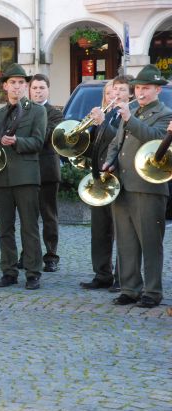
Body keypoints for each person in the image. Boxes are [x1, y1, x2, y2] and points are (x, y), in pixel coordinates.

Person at [102, 65, 172, 308]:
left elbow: (156, 140)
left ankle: (152, 292)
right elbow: (116, 143)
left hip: (148, 187)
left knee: (150, 242)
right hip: (122, 184)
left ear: (158, 90)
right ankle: (130, 289)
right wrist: (109, 162)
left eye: (146, 88)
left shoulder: (165, 114)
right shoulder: (131, 111)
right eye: (139, 87)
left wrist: (129, 119)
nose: (140, 92)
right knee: (126, 242)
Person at [0, 63, 46, 290]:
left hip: (26, 177)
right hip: (1, 177)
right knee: (5, 229)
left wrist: (17, 141)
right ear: (5, 86)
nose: (17, 86)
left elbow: (38, 142)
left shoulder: (37, 111)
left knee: (29, 227)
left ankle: (33, 273)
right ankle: (9, 271)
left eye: (21, 82)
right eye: (12, 82)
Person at [80, 77, 131, 292]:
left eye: (119, 91)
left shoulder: (129, 115)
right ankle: (102, 274)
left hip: (120, 177)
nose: (114, 95)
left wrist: (102, 124)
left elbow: (120, 142)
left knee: (122, 231)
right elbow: (93, 146)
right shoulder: (107, 114)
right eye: (110, 92)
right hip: (100, 178)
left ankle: (122, 276)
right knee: (99, 230)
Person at [25, 74, 63, 273]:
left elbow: (45, 136)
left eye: (42, 88)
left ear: (48, 90)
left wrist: (27, 134)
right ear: (29, 90)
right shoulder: (23, 110)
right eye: (35, 88)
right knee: (27, 217)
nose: (38, 91)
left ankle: (51, 256)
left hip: (47, 171)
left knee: (49, 215)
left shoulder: (55, 113)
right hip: (26, 170)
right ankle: (29, 254)